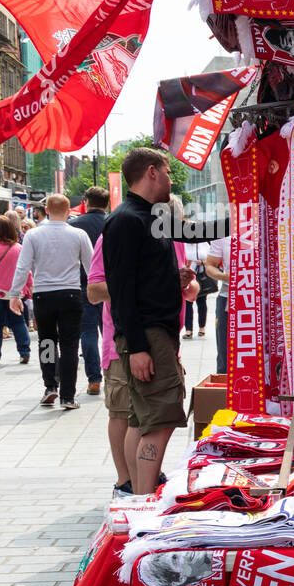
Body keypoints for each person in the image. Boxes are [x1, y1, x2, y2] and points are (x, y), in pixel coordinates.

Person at [101, 148, 192, 494]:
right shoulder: (127, 219)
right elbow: (121, 290)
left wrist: (175, 279)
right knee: (160, 422)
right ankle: (143, 501)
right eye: (168, 172)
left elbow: (139, 280)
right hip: (149, 336)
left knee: (142, 423)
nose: (171, 179)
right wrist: (138, 346)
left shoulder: (147, 217)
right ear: (151, 172)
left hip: (154, 333)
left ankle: (139, 497)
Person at [88, 231, 192, 496]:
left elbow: (189, 289)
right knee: (125, 413)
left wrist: (185, 283)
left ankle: (143, 484)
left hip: (164, 344)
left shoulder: (173, 239)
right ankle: (126, 483)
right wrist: (150, 284)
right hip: (125, 344)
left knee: (148, 417)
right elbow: (94, 290)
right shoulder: (115, 235)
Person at [1, 193, 93, 409]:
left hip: (43, 294)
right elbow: (91, 266)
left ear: (47, 211)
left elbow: (23, 267)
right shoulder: (78, 234)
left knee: (47, 341)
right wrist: (93, 291)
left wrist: (15, 295)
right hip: (70, 293)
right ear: (69, 210)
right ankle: (68, 396)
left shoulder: (33, 235)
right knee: (70, 344)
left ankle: (50, 385)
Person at [70, 186, 111, 396]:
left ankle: (94, 379)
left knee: (87, 332)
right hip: (111, 285)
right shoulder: (114, 223)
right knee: (111, 330)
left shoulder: (74, 226)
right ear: (107, 203)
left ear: (85, 201)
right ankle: (111, 373)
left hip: (83, 284)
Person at [0, 214, 32, 365]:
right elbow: (27, 271)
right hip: (15, 292)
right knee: (19, 322)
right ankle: (24, 351)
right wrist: (29, 288)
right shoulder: (18, 248)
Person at [205, 220, 231, 376]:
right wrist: (224, 276)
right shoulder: (224, 231)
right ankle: (224, 396)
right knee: (225, 353)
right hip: (228, 298)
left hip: (259, 302)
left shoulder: (265, 227)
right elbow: (210, 265)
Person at [181, 237, 210, 339]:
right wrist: (186, 265)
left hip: (201, 276)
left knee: (201, 302)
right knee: (187, 303)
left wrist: (202, 262)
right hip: (188, 279)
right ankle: (188, 330)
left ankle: (202, 327)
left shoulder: (203, 244)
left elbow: (211, 260)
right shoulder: (183, 243)